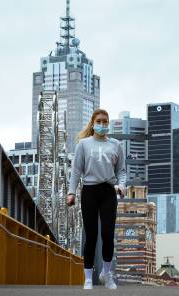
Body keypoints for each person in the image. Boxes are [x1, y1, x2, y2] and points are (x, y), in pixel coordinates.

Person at [67, 108, 126, 290]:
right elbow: (76, 170)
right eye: (99, 121)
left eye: (105, 121)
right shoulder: (83, 145)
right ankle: (88, 278)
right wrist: (71, 192)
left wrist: (121, 186)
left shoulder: (116, 145)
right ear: (93, 123)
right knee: (91, 236)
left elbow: (121, 171)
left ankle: (106, 274)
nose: (102, 124)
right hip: (89, 191)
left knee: (108, 235)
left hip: (109, 191)